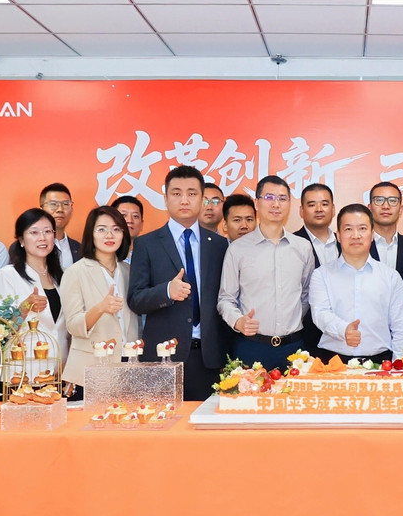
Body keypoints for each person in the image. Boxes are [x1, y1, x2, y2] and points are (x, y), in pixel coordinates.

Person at [129, 165, 229, 400]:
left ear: (202, 199)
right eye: (176, 193)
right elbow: (135, 299)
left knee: (206, 420)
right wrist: (166, 291)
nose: (184, 200)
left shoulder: (218, 244)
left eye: (192, 193)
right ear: (165, 199)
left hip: (209, 357)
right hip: (163, 356)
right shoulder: (147, 244)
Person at [220, 175, 316, 371]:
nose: (276, 204)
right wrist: (238, 321)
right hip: (252, 346)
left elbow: (306, 295)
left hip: (294, 348)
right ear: (257, 203)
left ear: (289, 204)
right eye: (269, 197)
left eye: (282, 198)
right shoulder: (237, 249)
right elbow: (225, 299)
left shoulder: (303, 247)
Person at [310, 204, 403, 362]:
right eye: (348, 229)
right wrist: (344, 330)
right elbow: (320, 313)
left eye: (362, 229)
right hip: (333, 362)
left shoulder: (390, 276)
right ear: (338, 236)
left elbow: (401, 327)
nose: (356, 235)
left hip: (380, 362)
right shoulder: (321, 275)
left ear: (372, 235)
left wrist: (400, 365)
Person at [61, 206, 140, 388]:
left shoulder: (129, 271)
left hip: (129, 366)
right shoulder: (76, 272)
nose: (109, 235)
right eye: (102, 229)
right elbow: (73, 325)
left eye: (116, 229)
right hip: (91, 368)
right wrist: (100, 308)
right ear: (91, 234)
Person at [0, 208, 66, 343]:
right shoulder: (7, 275)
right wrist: (25, 307)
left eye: (47, 231)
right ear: (21, 239)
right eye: (34, 232)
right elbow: (2, 330)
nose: (42, 238)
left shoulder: (62, 275)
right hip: (26, 354)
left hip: (62, 354)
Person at [368, 181, 403, 273]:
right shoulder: (359, 245)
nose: (386, 206)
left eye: (392, 201)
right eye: (379, 200)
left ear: (400, 209)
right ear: (370, 208)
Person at [294, 182, 340, 267]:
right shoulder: (291, 244)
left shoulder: (344, 242)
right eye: (312, 205)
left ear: (333, 209)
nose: (319, 209)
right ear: (302, 211)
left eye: (324, 204)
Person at [40, 182, 82, 266]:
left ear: (71, 210)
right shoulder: (28, 246)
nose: (60, 209)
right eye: (53, 204)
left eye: (65, 204)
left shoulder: (80, 249)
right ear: (41, 210)